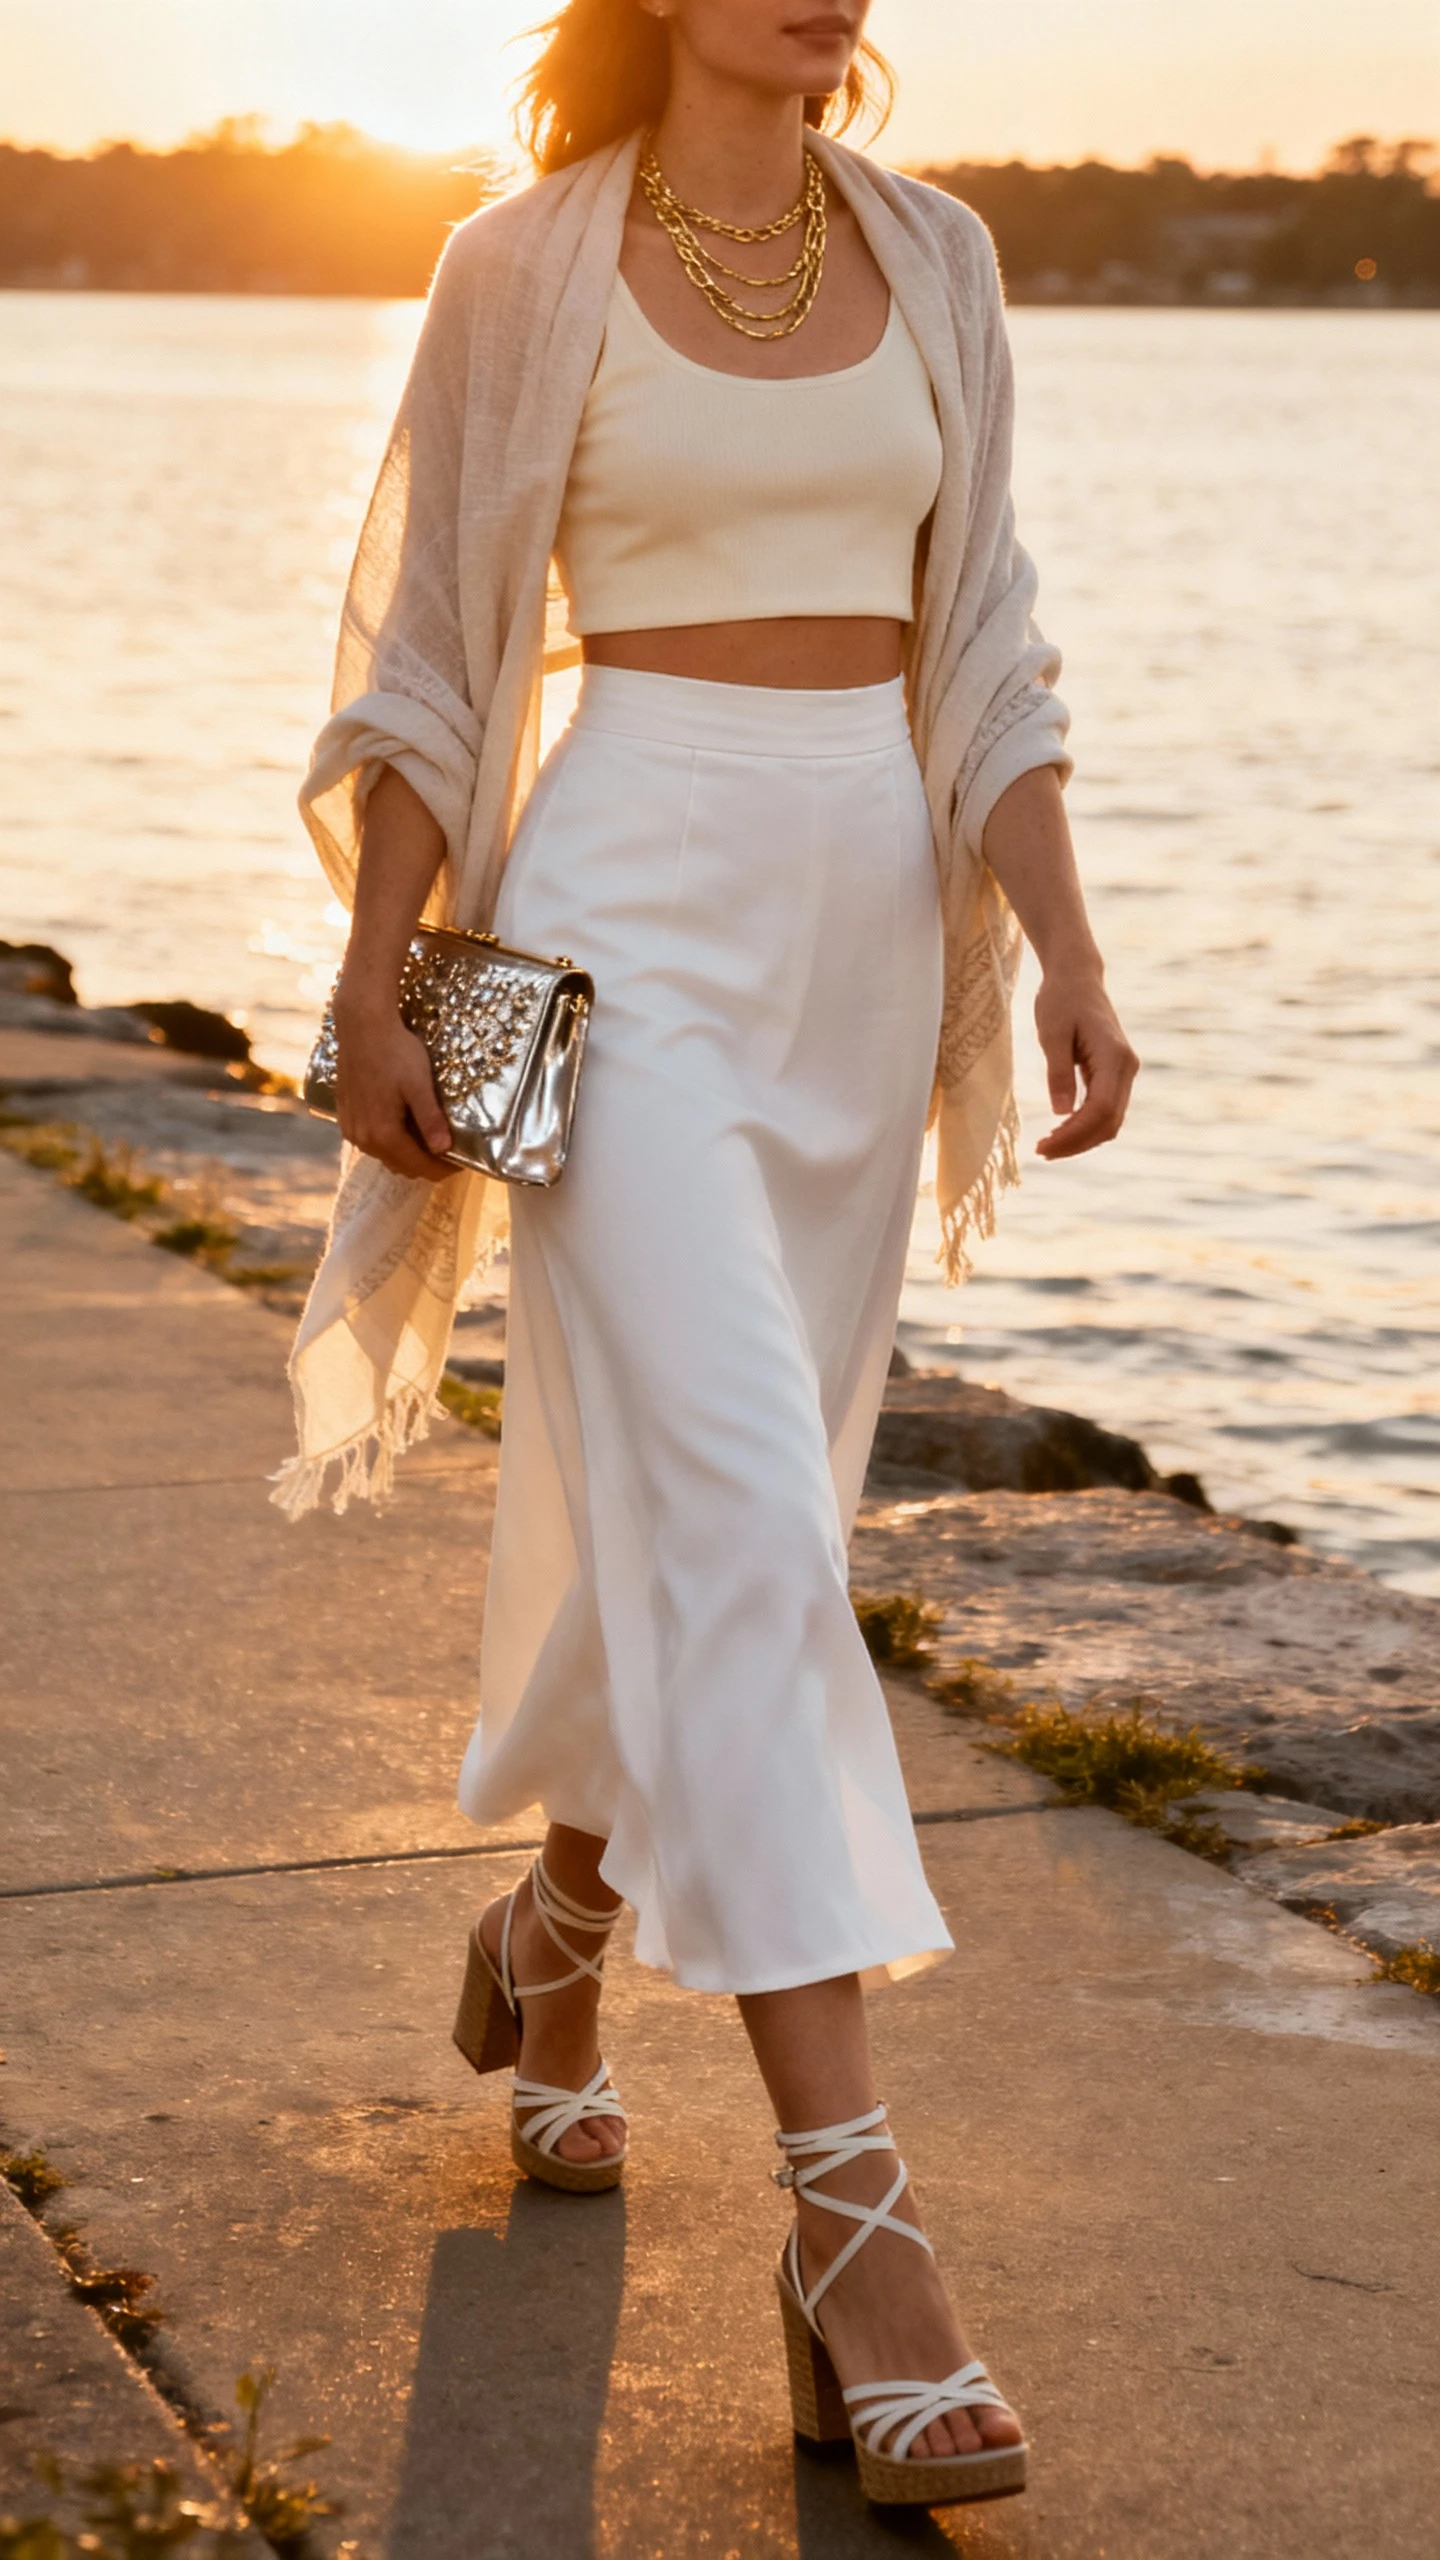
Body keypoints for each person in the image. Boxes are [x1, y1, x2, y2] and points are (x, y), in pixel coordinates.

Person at [281, 0, 1137, 2510]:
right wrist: (375, 981)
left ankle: (559, 1934)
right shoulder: (517, 263)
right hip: (617, 914)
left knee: (732, 1521)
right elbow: (438, 659)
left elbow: (988, 637)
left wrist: (1066, 947)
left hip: (863, 937)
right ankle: (856, 2227)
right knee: (748, 1511)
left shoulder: (938, 256)